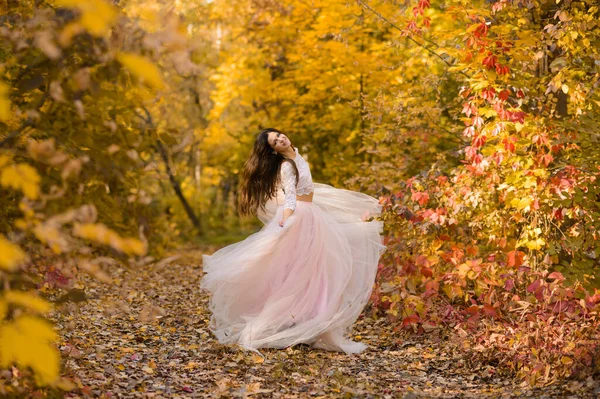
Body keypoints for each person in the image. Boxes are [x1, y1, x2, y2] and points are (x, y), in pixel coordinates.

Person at [200, 128, 386, 356]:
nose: (280, 139)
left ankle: (312, 324)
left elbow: (308, 190)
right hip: (300, 216)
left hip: (310, 214)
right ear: (273, 150)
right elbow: (290, 194)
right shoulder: (287, 166)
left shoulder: (295, 156)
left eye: (278, 135)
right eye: (275, 141)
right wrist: (287, 218)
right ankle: (275, 325)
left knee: (314, 273)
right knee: (299, 274)